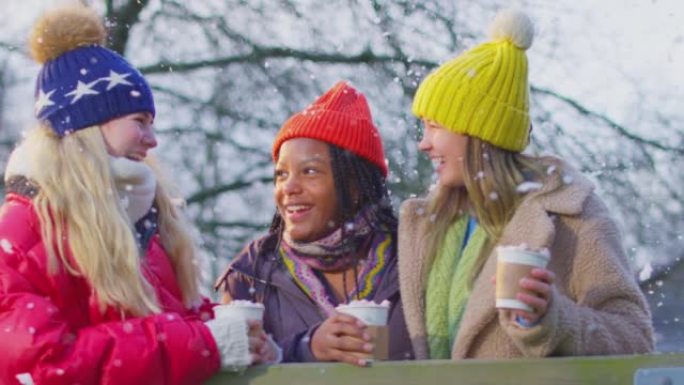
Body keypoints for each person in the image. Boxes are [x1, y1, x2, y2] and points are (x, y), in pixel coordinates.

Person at [0, 6, 276, 385]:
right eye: (139, 122)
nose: (152, 139)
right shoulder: (21, 230)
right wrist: (205, 343)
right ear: (88, 124)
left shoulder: (141, 220)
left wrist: (239, 336)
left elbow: (166, 323)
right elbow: (40, 364)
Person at [398, 9, 654, 360]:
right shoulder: (425, 223)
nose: (423, 144)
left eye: (435, 126)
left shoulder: (571, 214)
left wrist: (554, 320)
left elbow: (635, 337)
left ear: (479, 132)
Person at [216, 81, 414, 366]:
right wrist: (305, 349)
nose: (289, 188)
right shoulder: (251, 272)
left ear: (355, 184)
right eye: (281, 174)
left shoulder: (412, 258)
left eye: (309, 171)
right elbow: (224, 371)